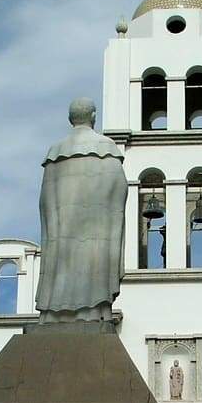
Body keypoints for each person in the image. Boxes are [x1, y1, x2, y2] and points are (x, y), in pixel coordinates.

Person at [34, 98, 127, 324]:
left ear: (70, 119)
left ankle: (53, 315)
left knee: (62, 265)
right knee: (93, 263)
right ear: (93, 116)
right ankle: (92, 312)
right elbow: (119, 189)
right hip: (96, 228)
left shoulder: (55, 153)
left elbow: (45, 199)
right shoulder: (108, 149)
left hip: (61, 229)